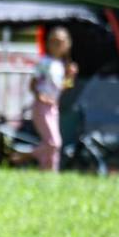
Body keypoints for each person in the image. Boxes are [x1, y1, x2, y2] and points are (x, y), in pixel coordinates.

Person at [31, 27, 76, 172]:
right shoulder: (44, 62)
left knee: (53, 143)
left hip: (53, 107)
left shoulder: (62, 65)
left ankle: (49, 172)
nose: (57, 45)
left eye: (60, 42)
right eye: (53, 41)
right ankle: (25, 156)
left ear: (67, 44)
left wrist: (70, 77)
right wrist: (41, 96)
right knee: (54, 143)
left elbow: (62, 88)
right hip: (42, 106)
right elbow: (32, 84)